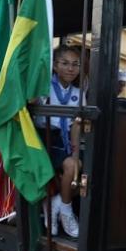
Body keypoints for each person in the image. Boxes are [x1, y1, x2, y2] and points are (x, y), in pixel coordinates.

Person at [36, 45, 82, 238]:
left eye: (75, 64)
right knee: (73, 167)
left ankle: (57, 204)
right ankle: (65, 210)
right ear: (54, 66)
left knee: (81, 170)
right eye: (65, 63)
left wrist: (75, 150)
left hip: (63, 142)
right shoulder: (43, 87)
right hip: (41, 140)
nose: (70, 69)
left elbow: (76, 125)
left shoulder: (78, 93)